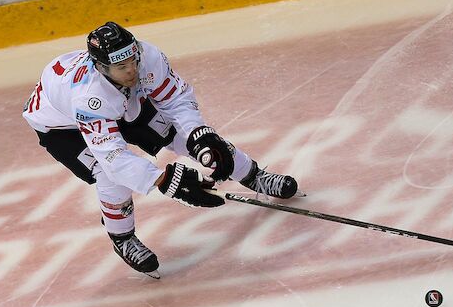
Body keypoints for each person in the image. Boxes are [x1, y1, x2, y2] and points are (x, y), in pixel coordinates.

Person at [22, 21, 300, 279]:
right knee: (109, 177)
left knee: (182, 137)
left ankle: (254, 176)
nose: (131, 70)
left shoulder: (147, 58)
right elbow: (114, 158)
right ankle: (122, 237)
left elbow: (177, 100)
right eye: (121, 67)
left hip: (123, 104)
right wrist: (165, 181)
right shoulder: (88, 98)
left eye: (133, 60)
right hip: (63, 129)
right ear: (101, 68)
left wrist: (198, 136)